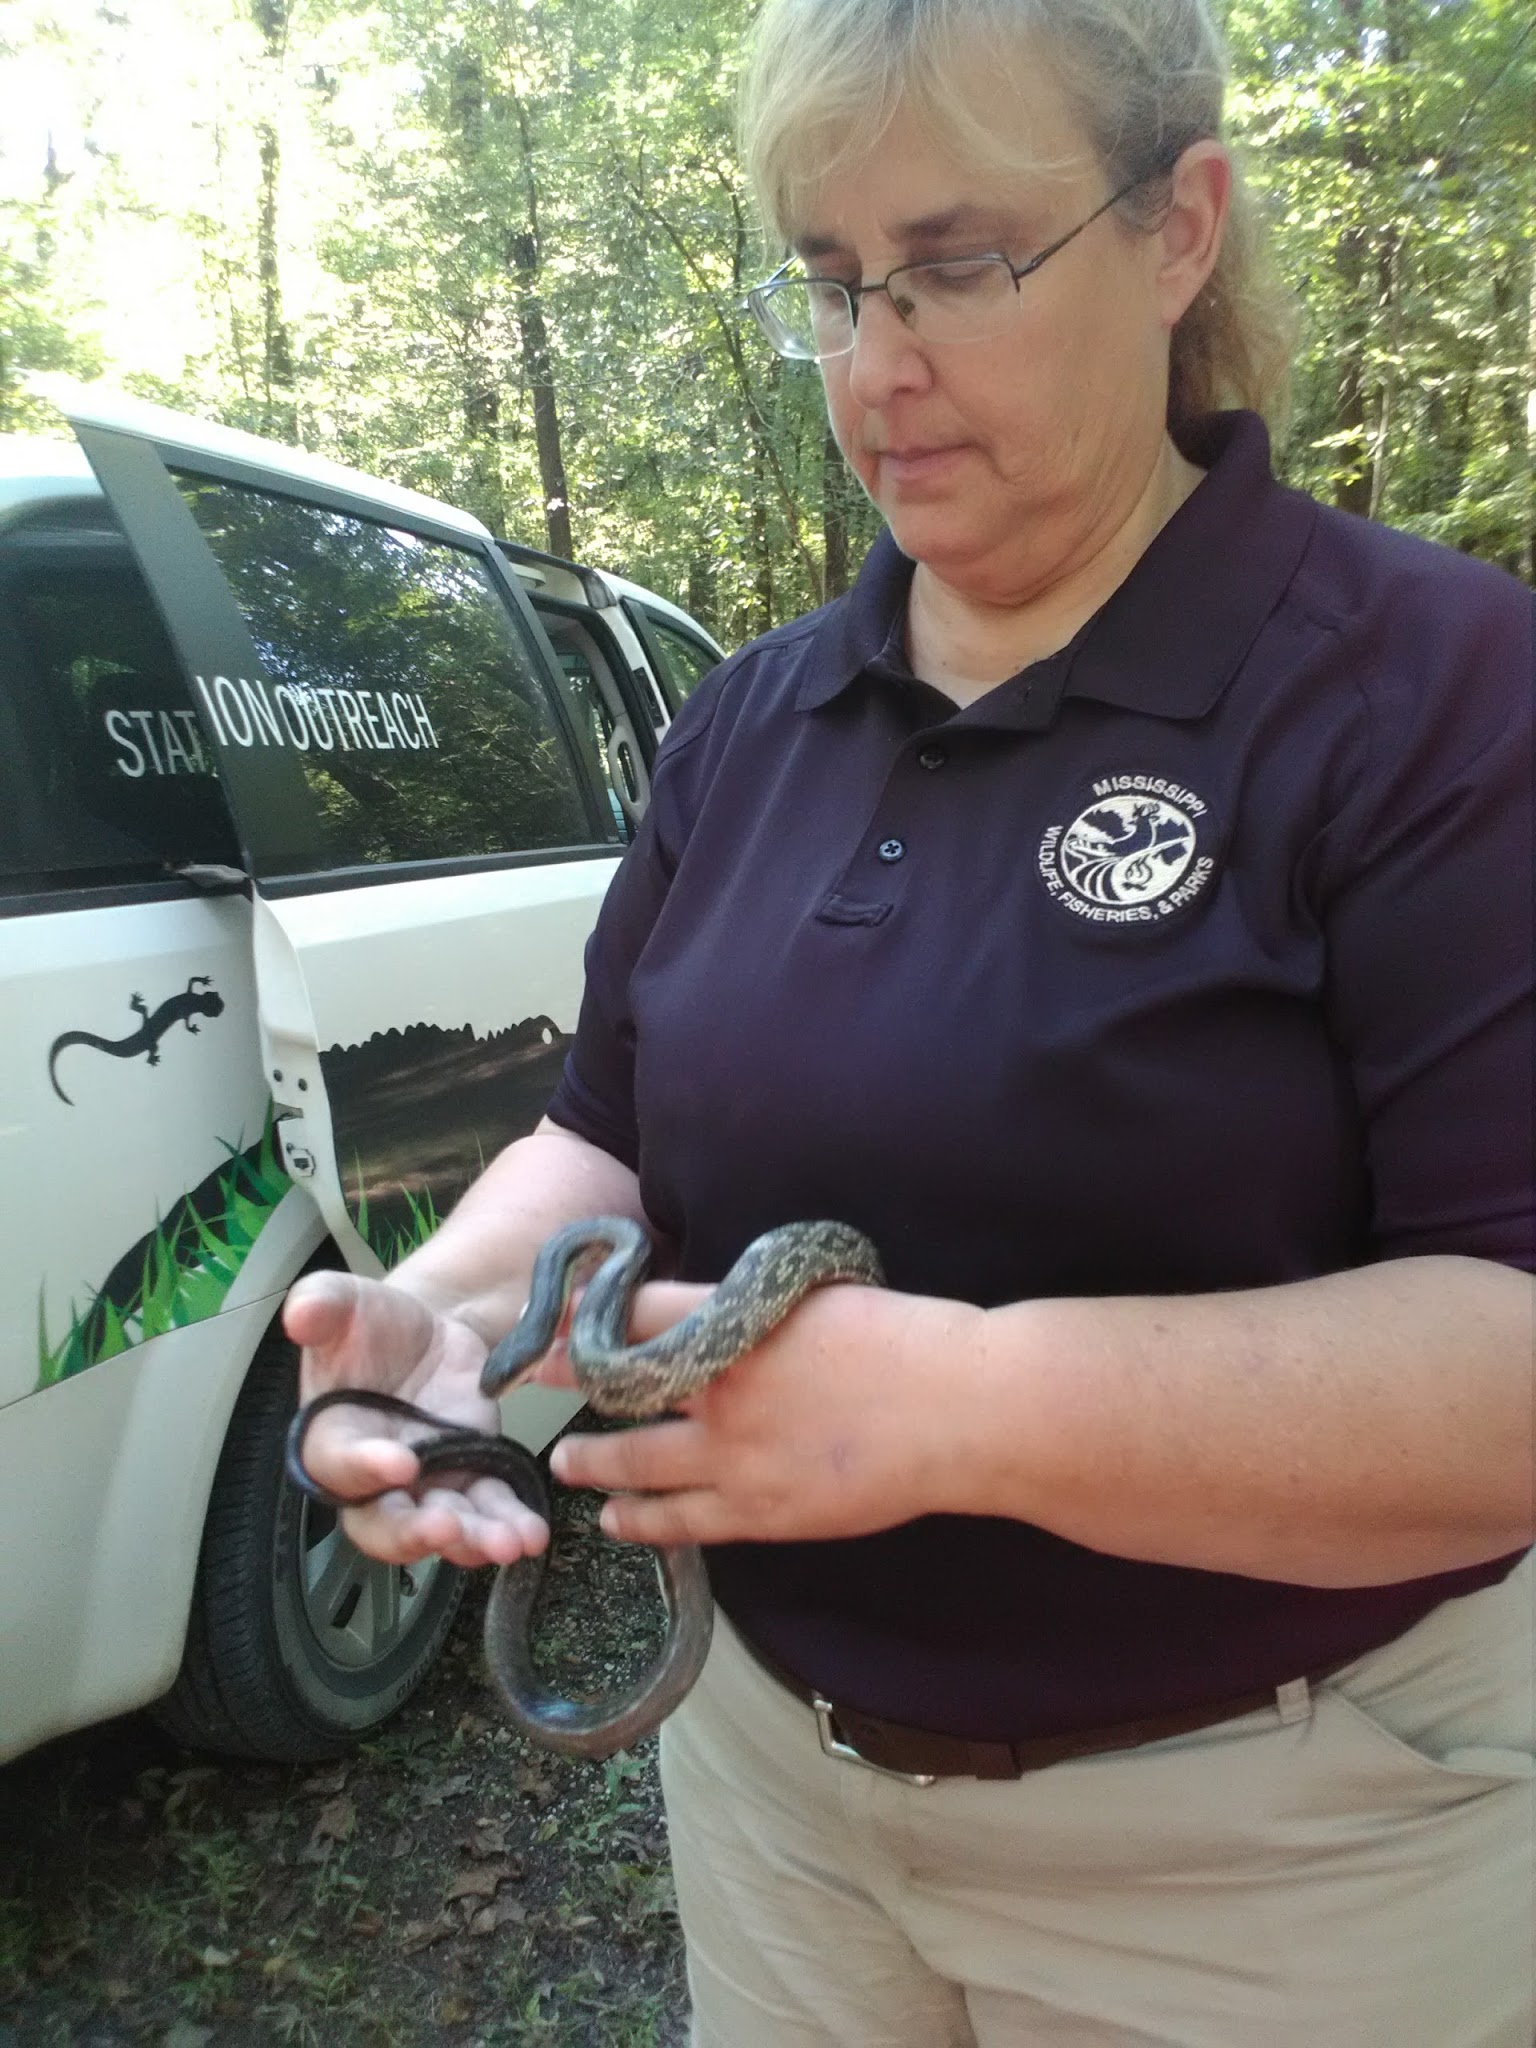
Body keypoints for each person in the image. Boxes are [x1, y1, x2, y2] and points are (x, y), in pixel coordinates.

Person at [284, 0, 1536, 2038]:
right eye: (836, 282)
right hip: (783, 1798)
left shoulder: (1439, 693)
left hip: (1289, 1858)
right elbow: (606, 1137)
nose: (879, 364)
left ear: (1181, 229)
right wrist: (453, 1328)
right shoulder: (746, 726)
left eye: (959, 263)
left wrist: (959, 1404)